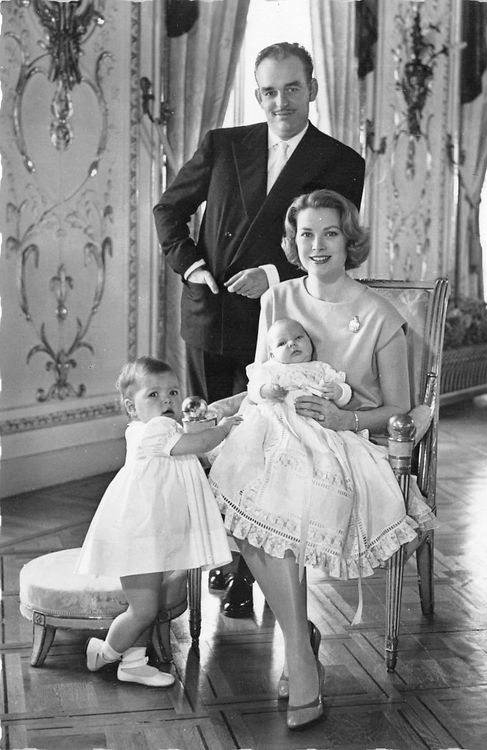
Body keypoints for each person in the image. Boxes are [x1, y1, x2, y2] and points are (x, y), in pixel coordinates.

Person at [208, 189, 436, 730]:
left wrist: (340, 419)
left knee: (278, 494)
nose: (317, 245)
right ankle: (300, 647)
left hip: (349, 440)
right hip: (278, 435)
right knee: (236, 483)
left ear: (348, 239)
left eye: (329, 233)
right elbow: (264, 380)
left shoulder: (379, 315)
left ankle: (301, 655)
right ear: (293, 241)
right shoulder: (277, 299)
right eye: (306, 234)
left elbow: (398, 408)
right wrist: (227, 409)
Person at [153, 41, 365, 616]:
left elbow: (336, 247)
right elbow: (168, 210)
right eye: (269, 92)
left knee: (266, 446)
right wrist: (193, 268)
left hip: (284, 330)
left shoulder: (341, 160)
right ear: (257, 94)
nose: (281, 102)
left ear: (312, 89)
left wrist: (272, 274)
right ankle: (223, 558)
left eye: (292, 89)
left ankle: (254, 572)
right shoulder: (223, 144)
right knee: (211, 438)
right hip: (212, 314)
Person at [74, 356, 241, 687]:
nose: (167, 400)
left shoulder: (157, 428)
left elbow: (188, 441)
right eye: (154, 394)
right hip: (139, 536)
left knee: (147, 604)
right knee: (143, 610)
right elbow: (200, 443)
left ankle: (134, 663)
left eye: (173, 393)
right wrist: (224, 428)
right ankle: (104, 653)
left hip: (150, 533)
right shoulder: (153, 430)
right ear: (131, 407)